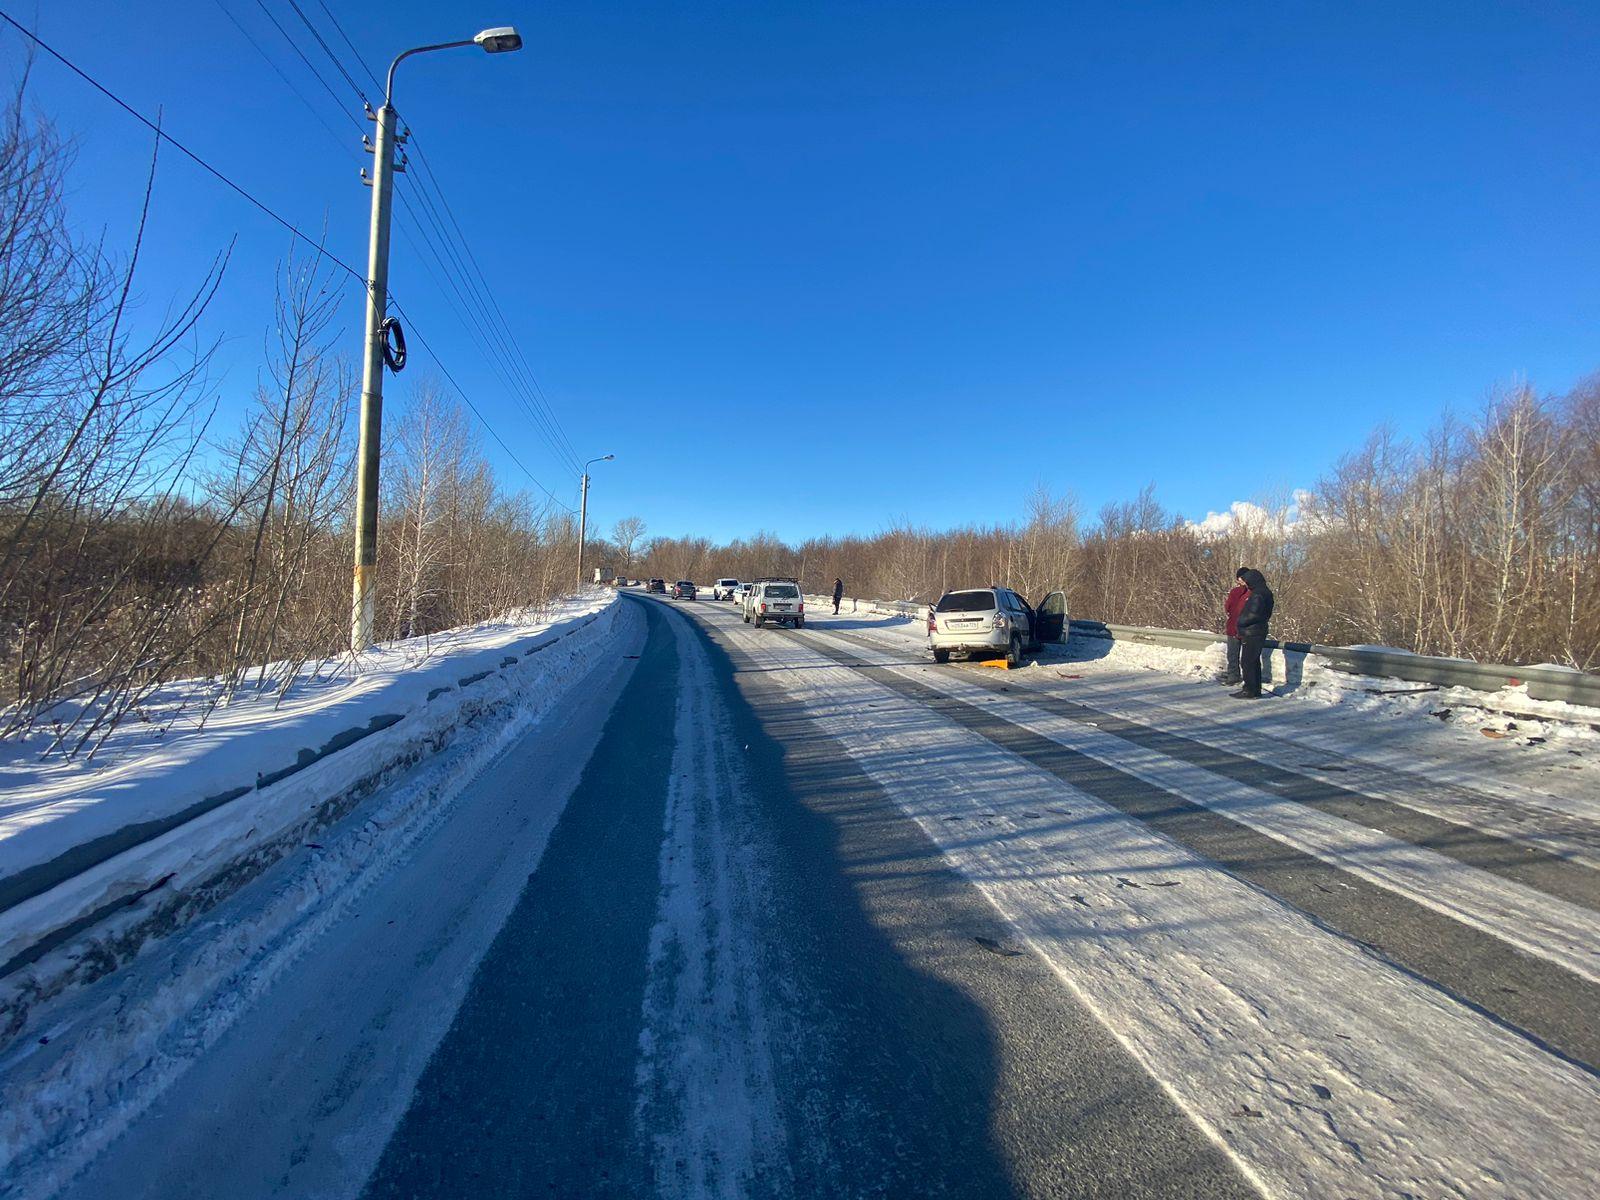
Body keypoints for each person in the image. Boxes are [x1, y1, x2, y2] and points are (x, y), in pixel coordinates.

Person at [1232, 568, 1274, 699]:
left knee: (1247, 661)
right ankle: (1256, 689)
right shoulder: (1266, 592)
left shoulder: (1257, 594)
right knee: (1254, 661)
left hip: (1252, 631)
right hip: (1259, 630)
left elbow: (1253, 614)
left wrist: (1240, 621)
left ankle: (1249, 689)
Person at [1222, 569, 1250, 685]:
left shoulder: (1237, 592)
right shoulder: (1252, 592)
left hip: (1236, 627)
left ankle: (1234, 674)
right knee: (1243, 655)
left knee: (1233, 654)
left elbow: (1228, 607)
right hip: (1243, 628)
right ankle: (1239, 675)